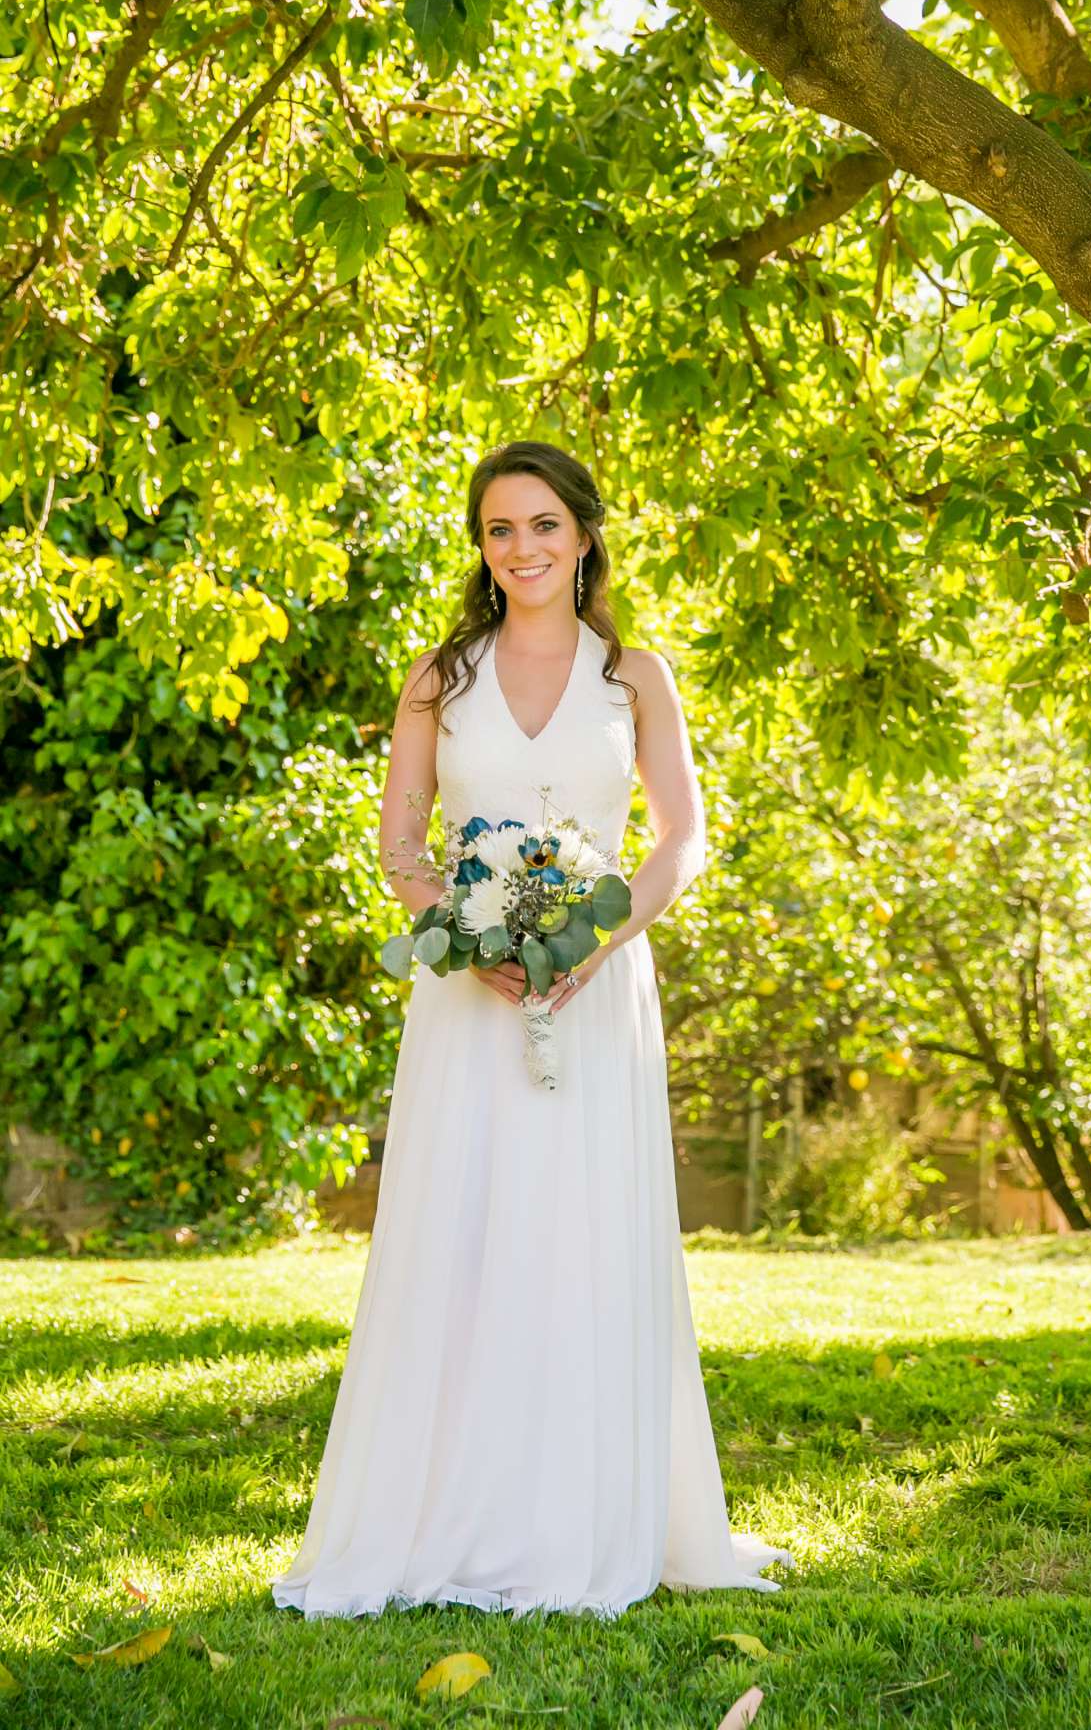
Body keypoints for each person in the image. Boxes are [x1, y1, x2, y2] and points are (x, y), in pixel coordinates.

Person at [271, 438, 793, 1619]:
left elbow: (680, 840)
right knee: (463, 1235)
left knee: (582, 1233)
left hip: (602, 996)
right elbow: (404, 846)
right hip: (467, 1004)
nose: (524, 550)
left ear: (585, 534)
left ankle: (588, 1508)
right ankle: (449, 1509)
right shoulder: (435, 681)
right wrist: (467, 938)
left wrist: (600, 941)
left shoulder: (637, 679)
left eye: (545, 525)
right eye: (501, 530)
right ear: (480, 547)